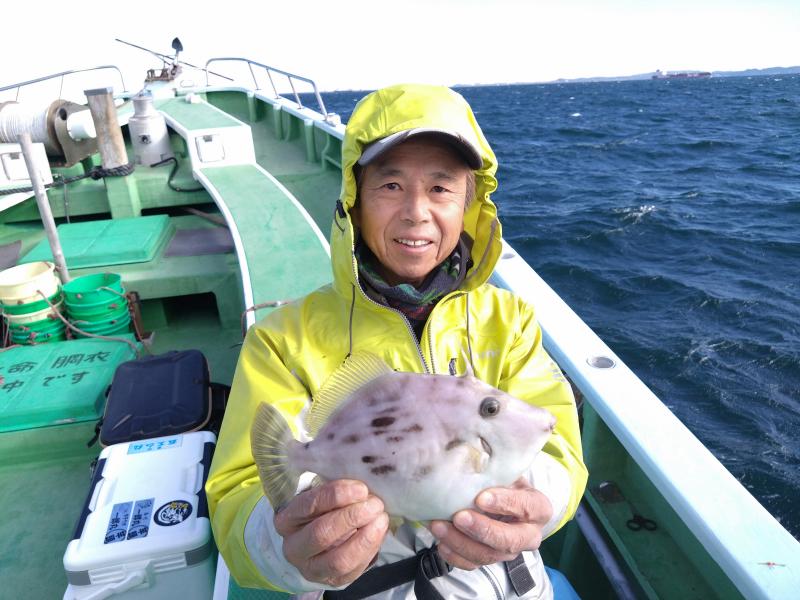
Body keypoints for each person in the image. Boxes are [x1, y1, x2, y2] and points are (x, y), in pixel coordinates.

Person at [206, 83, 588, 599]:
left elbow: (557, 444)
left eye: (441, 187)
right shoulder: (281, 342)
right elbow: (239, 501)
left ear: (468, 204)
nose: (415, 211)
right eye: (390, 186)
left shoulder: (509, 320)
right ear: (354, 201)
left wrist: (534, 509)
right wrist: (291, 546)